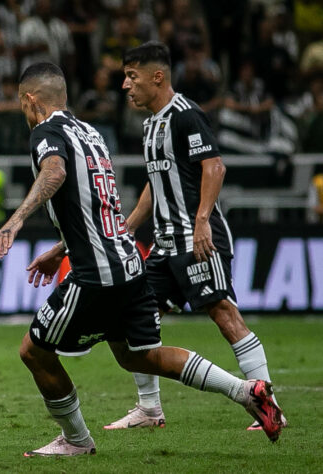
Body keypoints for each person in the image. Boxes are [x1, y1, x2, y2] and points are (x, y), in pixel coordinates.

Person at [0, 61, 283, 457]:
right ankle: (246, 392)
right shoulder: (89, 132)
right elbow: (99, 205)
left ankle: (76, 440)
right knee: (138, 355)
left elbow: (54, 172)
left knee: (33, 352)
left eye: (22, 104)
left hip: (96, 274)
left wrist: (16, 219)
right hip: (129, 262)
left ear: (30, 99)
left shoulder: (46, 132)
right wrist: (60, 248)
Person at [106, 41, 286, 432]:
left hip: (197, 238)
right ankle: (149, 409)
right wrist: (130, 226)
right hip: (164, 244)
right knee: (133, 319)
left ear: (158, 76)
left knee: (224, 315)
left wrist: (202, 219)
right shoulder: (151, 123)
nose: (125, 85)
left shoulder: (186, 115)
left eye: (131, 76)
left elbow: (215, 167)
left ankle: (271, 406)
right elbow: (157, 184)